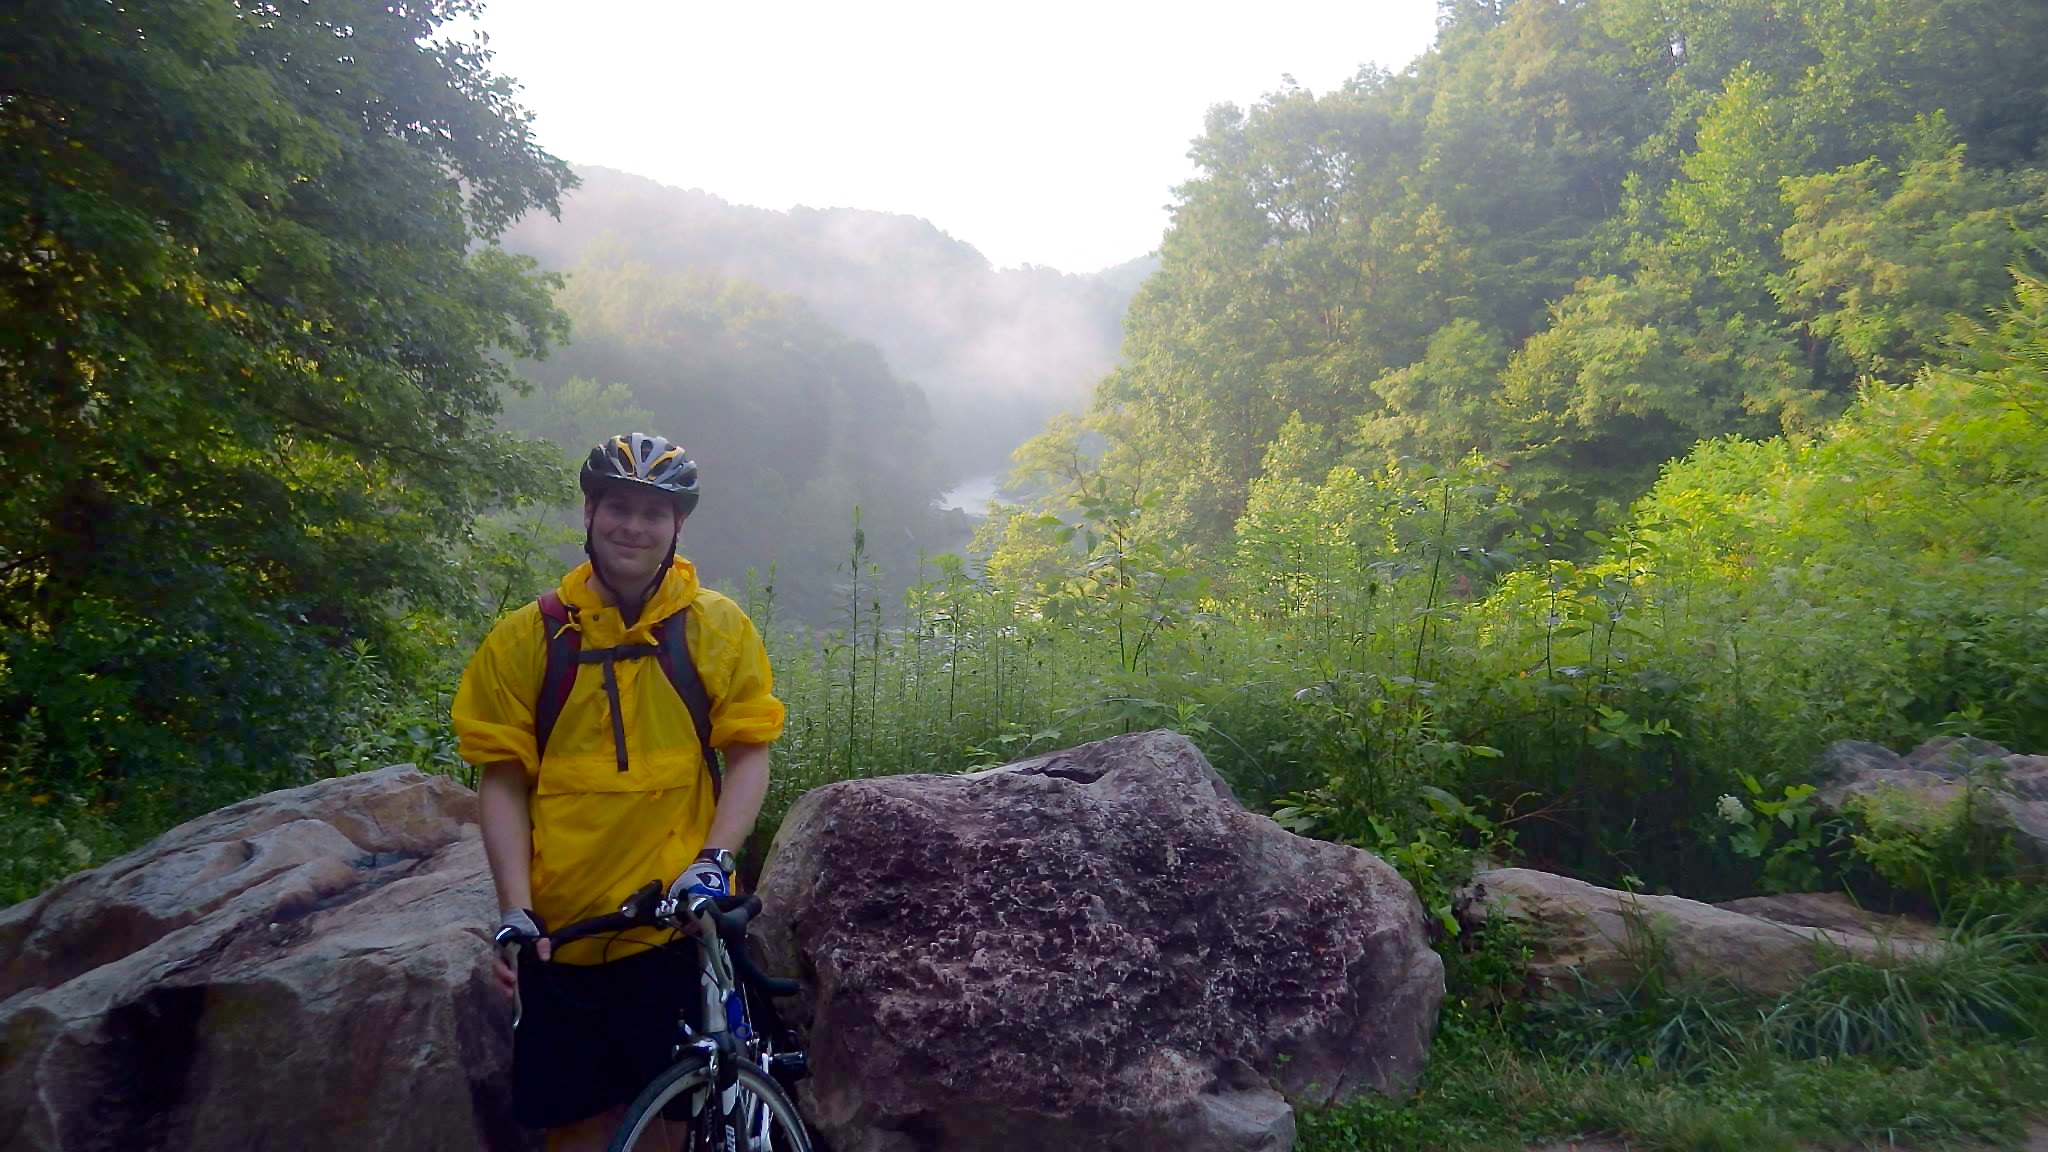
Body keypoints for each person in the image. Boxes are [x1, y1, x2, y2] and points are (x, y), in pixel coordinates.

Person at [452, 432, 785, 1150]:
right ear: (589, 514)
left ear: (677, 528)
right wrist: (515, 909)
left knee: (671, 1125)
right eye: (619, 508)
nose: (634, 526)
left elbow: (749, 753)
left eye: (653, 513)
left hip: (673, 922)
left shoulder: (714, 627)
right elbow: (502, 780)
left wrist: (715, 860)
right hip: (563, 937)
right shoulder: (528, 639)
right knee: (573, 1131)